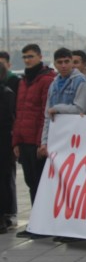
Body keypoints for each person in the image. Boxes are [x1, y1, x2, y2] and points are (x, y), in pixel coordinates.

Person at [12, 44, 55, 226]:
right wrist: (16, 141)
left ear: (39, 56)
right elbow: (19, 112)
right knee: (30, 182)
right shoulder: (23, 81)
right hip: (23, 140)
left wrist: (41, 142)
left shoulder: (46, 79)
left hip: (36, 142)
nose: (27, 60)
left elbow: (44, 114)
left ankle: (43, 222)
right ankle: (36, 221)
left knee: (39, 182)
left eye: (30, 56)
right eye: (25, 57)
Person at [41, 48, 86, 155]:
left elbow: (80, 109)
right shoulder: (53, 84)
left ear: (72, 62)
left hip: (74, 137)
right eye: (60, 62)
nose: (63, 65)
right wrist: (44, 142)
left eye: (66, 61)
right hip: (56, 137)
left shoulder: (80, 81)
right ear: (55, 64)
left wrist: (57, 108)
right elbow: (47, 115)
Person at [0, 51, 18, 228]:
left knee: (4, 180)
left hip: (3, 144)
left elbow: (6, 118)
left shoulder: (6, 92)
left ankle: (4, 215)